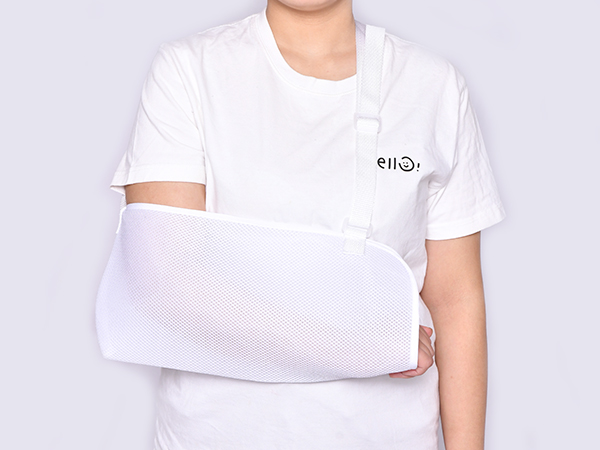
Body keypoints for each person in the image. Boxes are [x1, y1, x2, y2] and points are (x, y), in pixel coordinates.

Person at [109, 0, 505, 448]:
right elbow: (166, 284)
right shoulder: (188, 70)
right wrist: (362, 342)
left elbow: (456, 300)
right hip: (222, 433)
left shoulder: (432, 85)